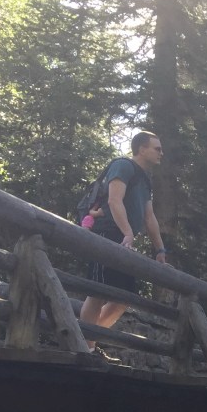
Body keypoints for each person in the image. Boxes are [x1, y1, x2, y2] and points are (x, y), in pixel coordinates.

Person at [79, 131, 169, 355]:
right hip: (106, 233)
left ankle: (84, 339)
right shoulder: (123, 165)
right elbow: (113, 200)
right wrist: (127, 232)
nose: (161, 153)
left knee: (123, 298)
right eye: (157, 148)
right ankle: (87, 347)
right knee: (97, 291)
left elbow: (149, 217)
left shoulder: (146, 179)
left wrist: (160, 249)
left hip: (124, 239)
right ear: (141, 149)